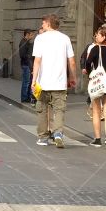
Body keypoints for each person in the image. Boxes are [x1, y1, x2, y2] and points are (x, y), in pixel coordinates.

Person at [31, 13, 76, 149]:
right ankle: (58, 134)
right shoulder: (65, 39)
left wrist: (33, 80)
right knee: (59, 110)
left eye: (43, 23)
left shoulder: (40, 39)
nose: (42, 25)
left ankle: (43, 137)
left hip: (43, 83)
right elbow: (72, 61)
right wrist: (73, 77)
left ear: (49, 23)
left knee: (42, 110)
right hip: (60, 83)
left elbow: (37, 61)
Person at [18, 29, 35, 103]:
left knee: (28, 82)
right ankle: (24, 98)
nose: (32, 36)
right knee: (26, 82)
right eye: (31, 34)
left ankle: (27, 97)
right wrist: (28, 57)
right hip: (26, 64)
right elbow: (22, 55)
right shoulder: (23, 42)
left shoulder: (27, 42)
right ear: (27, 34)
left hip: (28, 64)